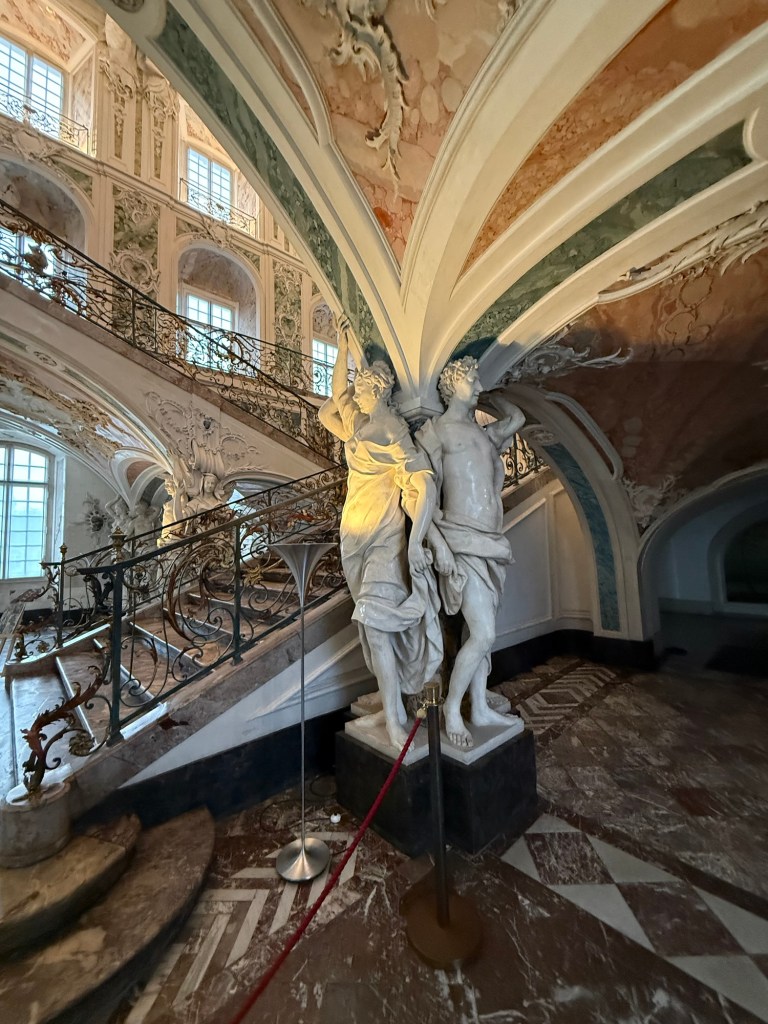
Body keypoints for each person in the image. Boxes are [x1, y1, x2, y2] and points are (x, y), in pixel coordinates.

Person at [318, 332, 442, 749]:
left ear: (378, 391)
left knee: (375, 628)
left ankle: (394, 718)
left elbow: (424, 485)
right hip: (353, 535)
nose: (355, 395)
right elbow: (334, 399)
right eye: (357, 389)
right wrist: (342, 349)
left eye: (362, 389)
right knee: (372, 629)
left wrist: (417, 541)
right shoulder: (361, 425)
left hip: (385, 539)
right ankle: (392, 706)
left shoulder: (393, 431)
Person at [418, 356, 526, 749]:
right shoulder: (435, 432)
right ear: (452, 385)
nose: (479, 388)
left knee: (480, 632)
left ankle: (479, 706)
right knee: (483, 633)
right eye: (473, 381)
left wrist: (495, 390)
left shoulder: (484, 434)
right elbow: (421, 499)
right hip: (461, 539)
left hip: (492, 541)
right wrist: (438, 544)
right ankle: (451, 709)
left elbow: (517, 419)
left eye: (480, 382)